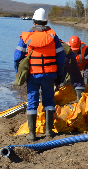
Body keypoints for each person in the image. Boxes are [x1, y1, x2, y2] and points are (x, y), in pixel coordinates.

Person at [14, 8, 65, 141]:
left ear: (34, 21)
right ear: (46, 21)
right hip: (49, 75)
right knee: (48, 101)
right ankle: (49, 132)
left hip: (32, 76)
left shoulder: (26, 36)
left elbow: (17, 57)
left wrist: (19, 73)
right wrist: (59, 75)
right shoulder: (53, 37)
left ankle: (32, 134)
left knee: (32, 103)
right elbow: (61, 58)